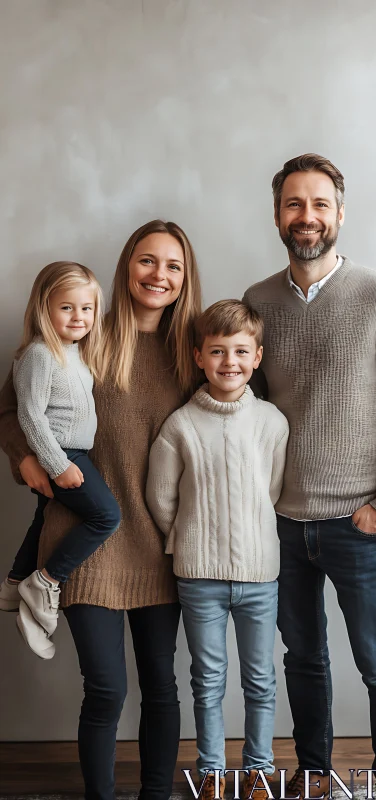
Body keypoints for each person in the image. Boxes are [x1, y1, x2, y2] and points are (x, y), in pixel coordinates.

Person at [243, 154, 376, 800]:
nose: (307, 216)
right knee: (302, 659)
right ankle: (314, 773)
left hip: (360, 523)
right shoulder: (258, 302)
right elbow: (247, 408)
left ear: (340, 214)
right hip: (282, 523)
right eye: (294, 204)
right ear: (278, 215)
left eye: (320, 204)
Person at [0, 220, 202, 800]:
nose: (158, 275)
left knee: (162, 687)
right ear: (125, 266)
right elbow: (10, 409)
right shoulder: (85, 327)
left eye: (173, 266)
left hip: (161, 548)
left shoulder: (193, 351)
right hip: (84, 544)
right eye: (147, 260)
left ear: (185, 278)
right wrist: (26, 459)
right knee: (107, 690)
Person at [146, 300, 289, 800]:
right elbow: (161, 498)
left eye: (241, 351)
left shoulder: (272, 422)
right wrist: (192, 535)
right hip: (199, 578)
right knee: (207, 680)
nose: (230, 361)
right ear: (199, 357)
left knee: (260, 680)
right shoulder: (180, 426)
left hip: (259, 575)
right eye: (218, 351)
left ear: (257, 357)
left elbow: (271, 490)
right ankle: (211, 772)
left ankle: (258, 771)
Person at [0, 261, 121, 660]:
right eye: (66, 307)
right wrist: (57, 465)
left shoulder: (77, 353)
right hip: (63, 454)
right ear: (44, 308)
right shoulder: (39, 354)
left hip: (73, 452)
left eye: (87, 308)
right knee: (106, 516)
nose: (78, 317)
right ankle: (46, 581)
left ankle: (14, 585)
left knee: (43, 519)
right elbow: (30, 416)